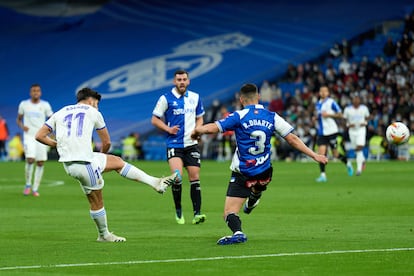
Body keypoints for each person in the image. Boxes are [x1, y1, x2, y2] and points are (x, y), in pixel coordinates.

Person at [191, 83, 328, 245]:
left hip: (243, 173)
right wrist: (314, 155)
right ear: (259, 97)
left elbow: (213, 128)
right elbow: (292, 139)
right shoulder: (272, 116)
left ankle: (238, 232)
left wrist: (197, 130)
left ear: (241, 100)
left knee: (229, 213)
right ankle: (255, 194)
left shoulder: (239, 116)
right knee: (258, 183)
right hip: (265, 172)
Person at [35, 87, 178, 242]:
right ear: (90, 100)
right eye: (96, 103)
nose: (97, 106)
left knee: (117, 162)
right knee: (96, 201)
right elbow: (107, 142)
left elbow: (39, 135)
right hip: (85, 163)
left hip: (71, 163)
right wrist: (102, 156)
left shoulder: (60, 112)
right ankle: (104, 234)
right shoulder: (93, 112)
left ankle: (155, 182)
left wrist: (57, 144)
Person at [151, 69, 206, 225]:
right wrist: (168, 129)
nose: (182, 82)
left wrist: (198, 130)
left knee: (195, 177)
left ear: (188, 81)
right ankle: (178, 211)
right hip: (174, 143)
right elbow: (154, 120)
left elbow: (200, 117)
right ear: (174, 82)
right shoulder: (165, 98)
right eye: (179, 79)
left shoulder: (195, 97)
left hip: (191, 144)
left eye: (184, 79)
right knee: (177, 177)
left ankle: (197, 214)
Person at [17, 84, 53, 196]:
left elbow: (52, 118)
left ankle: (35, 188)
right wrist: (23, 127)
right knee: (30, 159)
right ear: (30, 92)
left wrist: (49, 131)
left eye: (37, 91)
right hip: (29, 136)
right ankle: (28, 184)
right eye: (33, 91)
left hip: (41, 136)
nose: (36, 92)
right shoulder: (24, 104)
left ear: (40, 93)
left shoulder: (45, 105)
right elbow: (18, 119)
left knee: (41, 162)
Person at [314, 85, 352, 182]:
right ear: (319, 93)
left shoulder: (331, 102)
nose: (323, 93)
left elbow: (340, 114)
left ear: (328, 93)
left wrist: (329, 115)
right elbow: (320, 116)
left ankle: (347, 163)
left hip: (331, 131)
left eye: (325, 91)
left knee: (335, 154)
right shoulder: (318, 104)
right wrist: (315, 118)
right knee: (321, 154)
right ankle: (323, 175)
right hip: (322, 132)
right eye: (321, 91)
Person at [343, 95, 370, 175]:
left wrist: (365, 122)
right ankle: (363, 160)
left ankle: (358, 170)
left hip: (361, 130)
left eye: (357, 99)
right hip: (352, 131)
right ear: (352, 101)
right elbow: (344, 119)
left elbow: (368, 117)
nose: (356, 101)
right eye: (354, 99)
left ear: (359, 101)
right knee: (357, 149)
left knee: (359, 148)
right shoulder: (348, 109)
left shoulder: (364, 108)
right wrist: (348, 125)